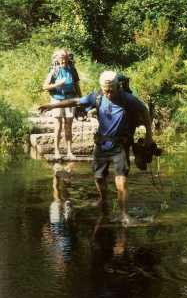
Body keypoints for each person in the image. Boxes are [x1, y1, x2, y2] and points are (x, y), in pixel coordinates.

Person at [39, 70, 153, 226]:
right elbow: (76, 102)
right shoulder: (97, 96)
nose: (108, 94)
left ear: (117, 87)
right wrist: (52, 105)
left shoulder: (128, 99)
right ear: (102, 87)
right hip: (101, 145)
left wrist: (149, 135)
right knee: (99, 177)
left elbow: (144, 111)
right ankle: (103, 199)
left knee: (121, 181)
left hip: (120, 145)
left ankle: (124, 215)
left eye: (111, 90)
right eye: (106, 90)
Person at [43, 48, 82, 159]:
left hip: (71, 99)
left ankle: (69, 152)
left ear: (68, 58)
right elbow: (45, 86)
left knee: (69, 126)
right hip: (57, 100)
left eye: (65, 59)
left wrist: (81, 100)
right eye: (61, 59)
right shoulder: (54, 71)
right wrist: (57, 84)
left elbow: (77, 86)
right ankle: (57, 151)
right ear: (58, 59)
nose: (64, 61)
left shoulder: (72, 70)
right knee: (58, 126)